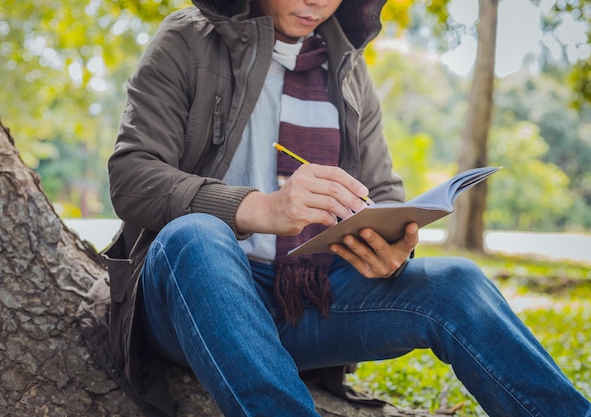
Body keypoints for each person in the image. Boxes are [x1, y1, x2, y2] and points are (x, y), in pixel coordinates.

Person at [102, 0, 591, 416]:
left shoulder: (349, 69)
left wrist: (393, 246)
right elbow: (132, 175)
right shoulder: (187, 40)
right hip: (194, 297)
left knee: (458, 283)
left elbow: (383, 193)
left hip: (306, 302)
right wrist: (261, 209)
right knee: (198, 236)